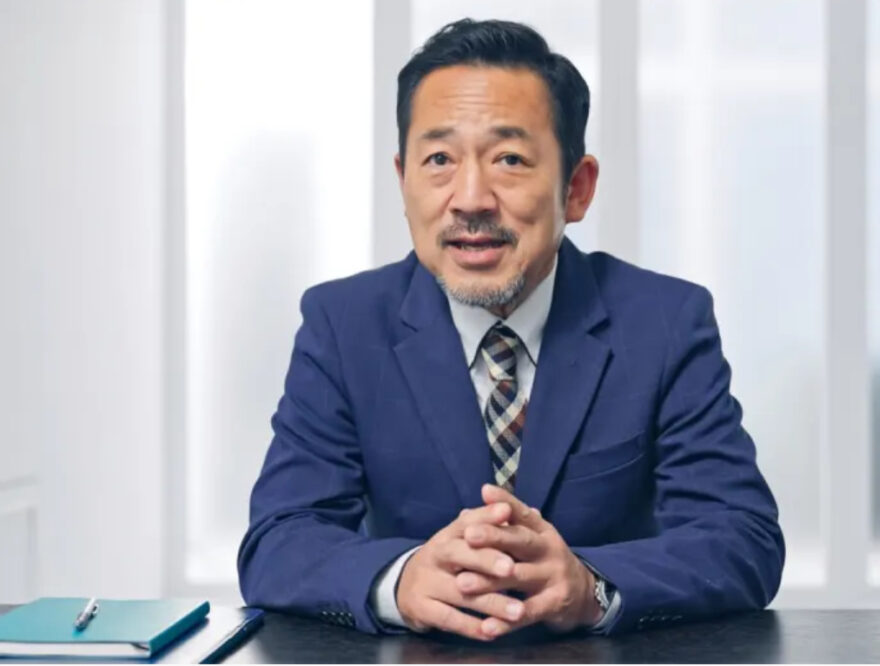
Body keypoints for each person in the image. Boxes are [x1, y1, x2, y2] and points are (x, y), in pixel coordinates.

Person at [238, 18, 784, 641]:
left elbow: (742, 537)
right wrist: (401, 579)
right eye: (439, 160)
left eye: (510, 159)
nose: (470, 199)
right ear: (403, 181)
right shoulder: (343, 324)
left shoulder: (664, 321)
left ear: (576, 189)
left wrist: (590, 586)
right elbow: (279, 540)